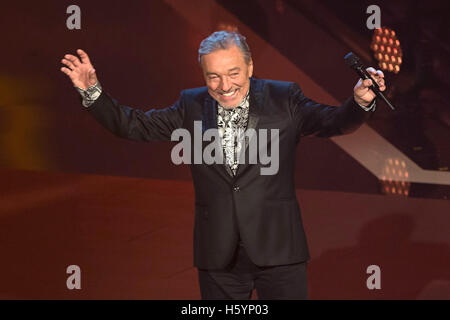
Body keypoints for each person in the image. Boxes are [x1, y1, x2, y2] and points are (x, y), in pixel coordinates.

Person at [60, 31, 386, 300]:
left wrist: (359, 102)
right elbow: (133, 126)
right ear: (203, 74)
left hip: (279, 250)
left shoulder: (284, 97)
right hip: (218, 254)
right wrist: (92, 92)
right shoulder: (191, 104)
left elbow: (333, 122)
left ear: (250, 67)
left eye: (233, 74)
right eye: (213, 76)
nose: (224, 86)